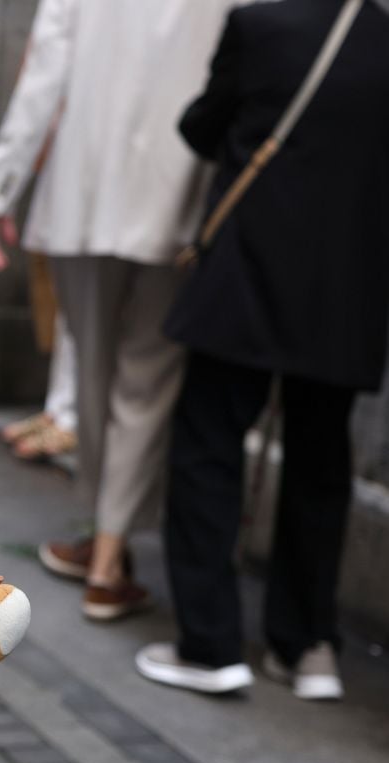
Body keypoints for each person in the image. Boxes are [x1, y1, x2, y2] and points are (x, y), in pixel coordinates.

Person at [136, 0, 389, 698]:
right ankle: (309, 648)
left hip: (250, 272)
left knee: (208, 450)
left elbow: (202, 126)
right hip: (348, 291)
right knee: (320, 463)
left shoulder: (259, 27)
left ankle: (211, 645)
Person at [0, 0, 237, 621]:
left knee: (92, 367)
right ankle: (109, 555)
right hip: (182, 185)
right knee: (148, 379)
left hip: (84, 186)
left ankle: (99, 538)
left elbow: (46, 71)